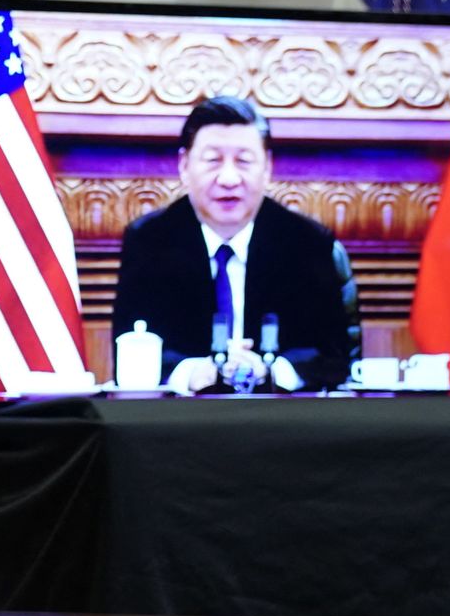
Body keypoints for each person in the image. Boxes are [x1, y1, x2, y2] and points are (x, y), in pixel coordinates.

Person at [111, 96, 356, 393]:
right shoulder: (150, 241)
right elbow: (132, 348)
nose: (228, 178)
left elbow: (333, 356)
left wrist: (271, 371)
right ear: (184, 165)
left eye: (244, 161)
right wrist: (191, 372)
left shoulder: (306, 243)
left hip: (284, 422)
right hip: (182, 423)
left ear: (267, 168)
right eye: (213, 160)